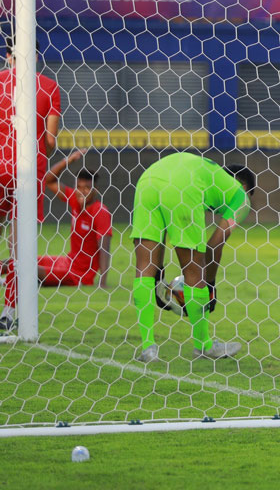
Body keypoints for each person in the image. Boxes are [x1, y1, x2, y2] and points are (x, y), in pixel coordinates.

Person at [129, 153, 256, 362]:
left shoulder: (210, 175)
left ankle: (148, 348)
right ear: (246, 188)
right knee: (193, 272)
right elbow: (214, 244)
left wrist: (158, 275)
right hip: (183, 186)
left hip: (148, 178)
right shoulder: (242, 198)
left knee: (144, 266)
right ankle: (204, 345)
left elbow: (159, 240)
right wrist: (211, 286)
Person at [0, 38, 62, 331]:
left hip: (0, 166)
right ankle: (9, 311)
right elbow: (49, 141)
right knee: (19, 246)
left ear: (9, 56)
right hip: (28, 172)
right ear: (35, 55)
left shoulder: (1, 82)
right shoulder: (48, 87)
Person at [0, 150, 110, 302]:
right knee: (20, 260)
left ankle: (9, 282)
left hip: (78, 274)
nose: (81, 192)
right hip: (67, 262)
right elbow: (49, 180)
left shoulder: (100, 212)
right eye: (79, 187)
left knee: (29, 270)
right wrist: (68, 161)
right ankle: (8, 280)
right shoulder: (75, 199)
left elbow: (104, 249)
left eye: (87, 188)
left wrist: (102, 282)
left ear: (95, 190)